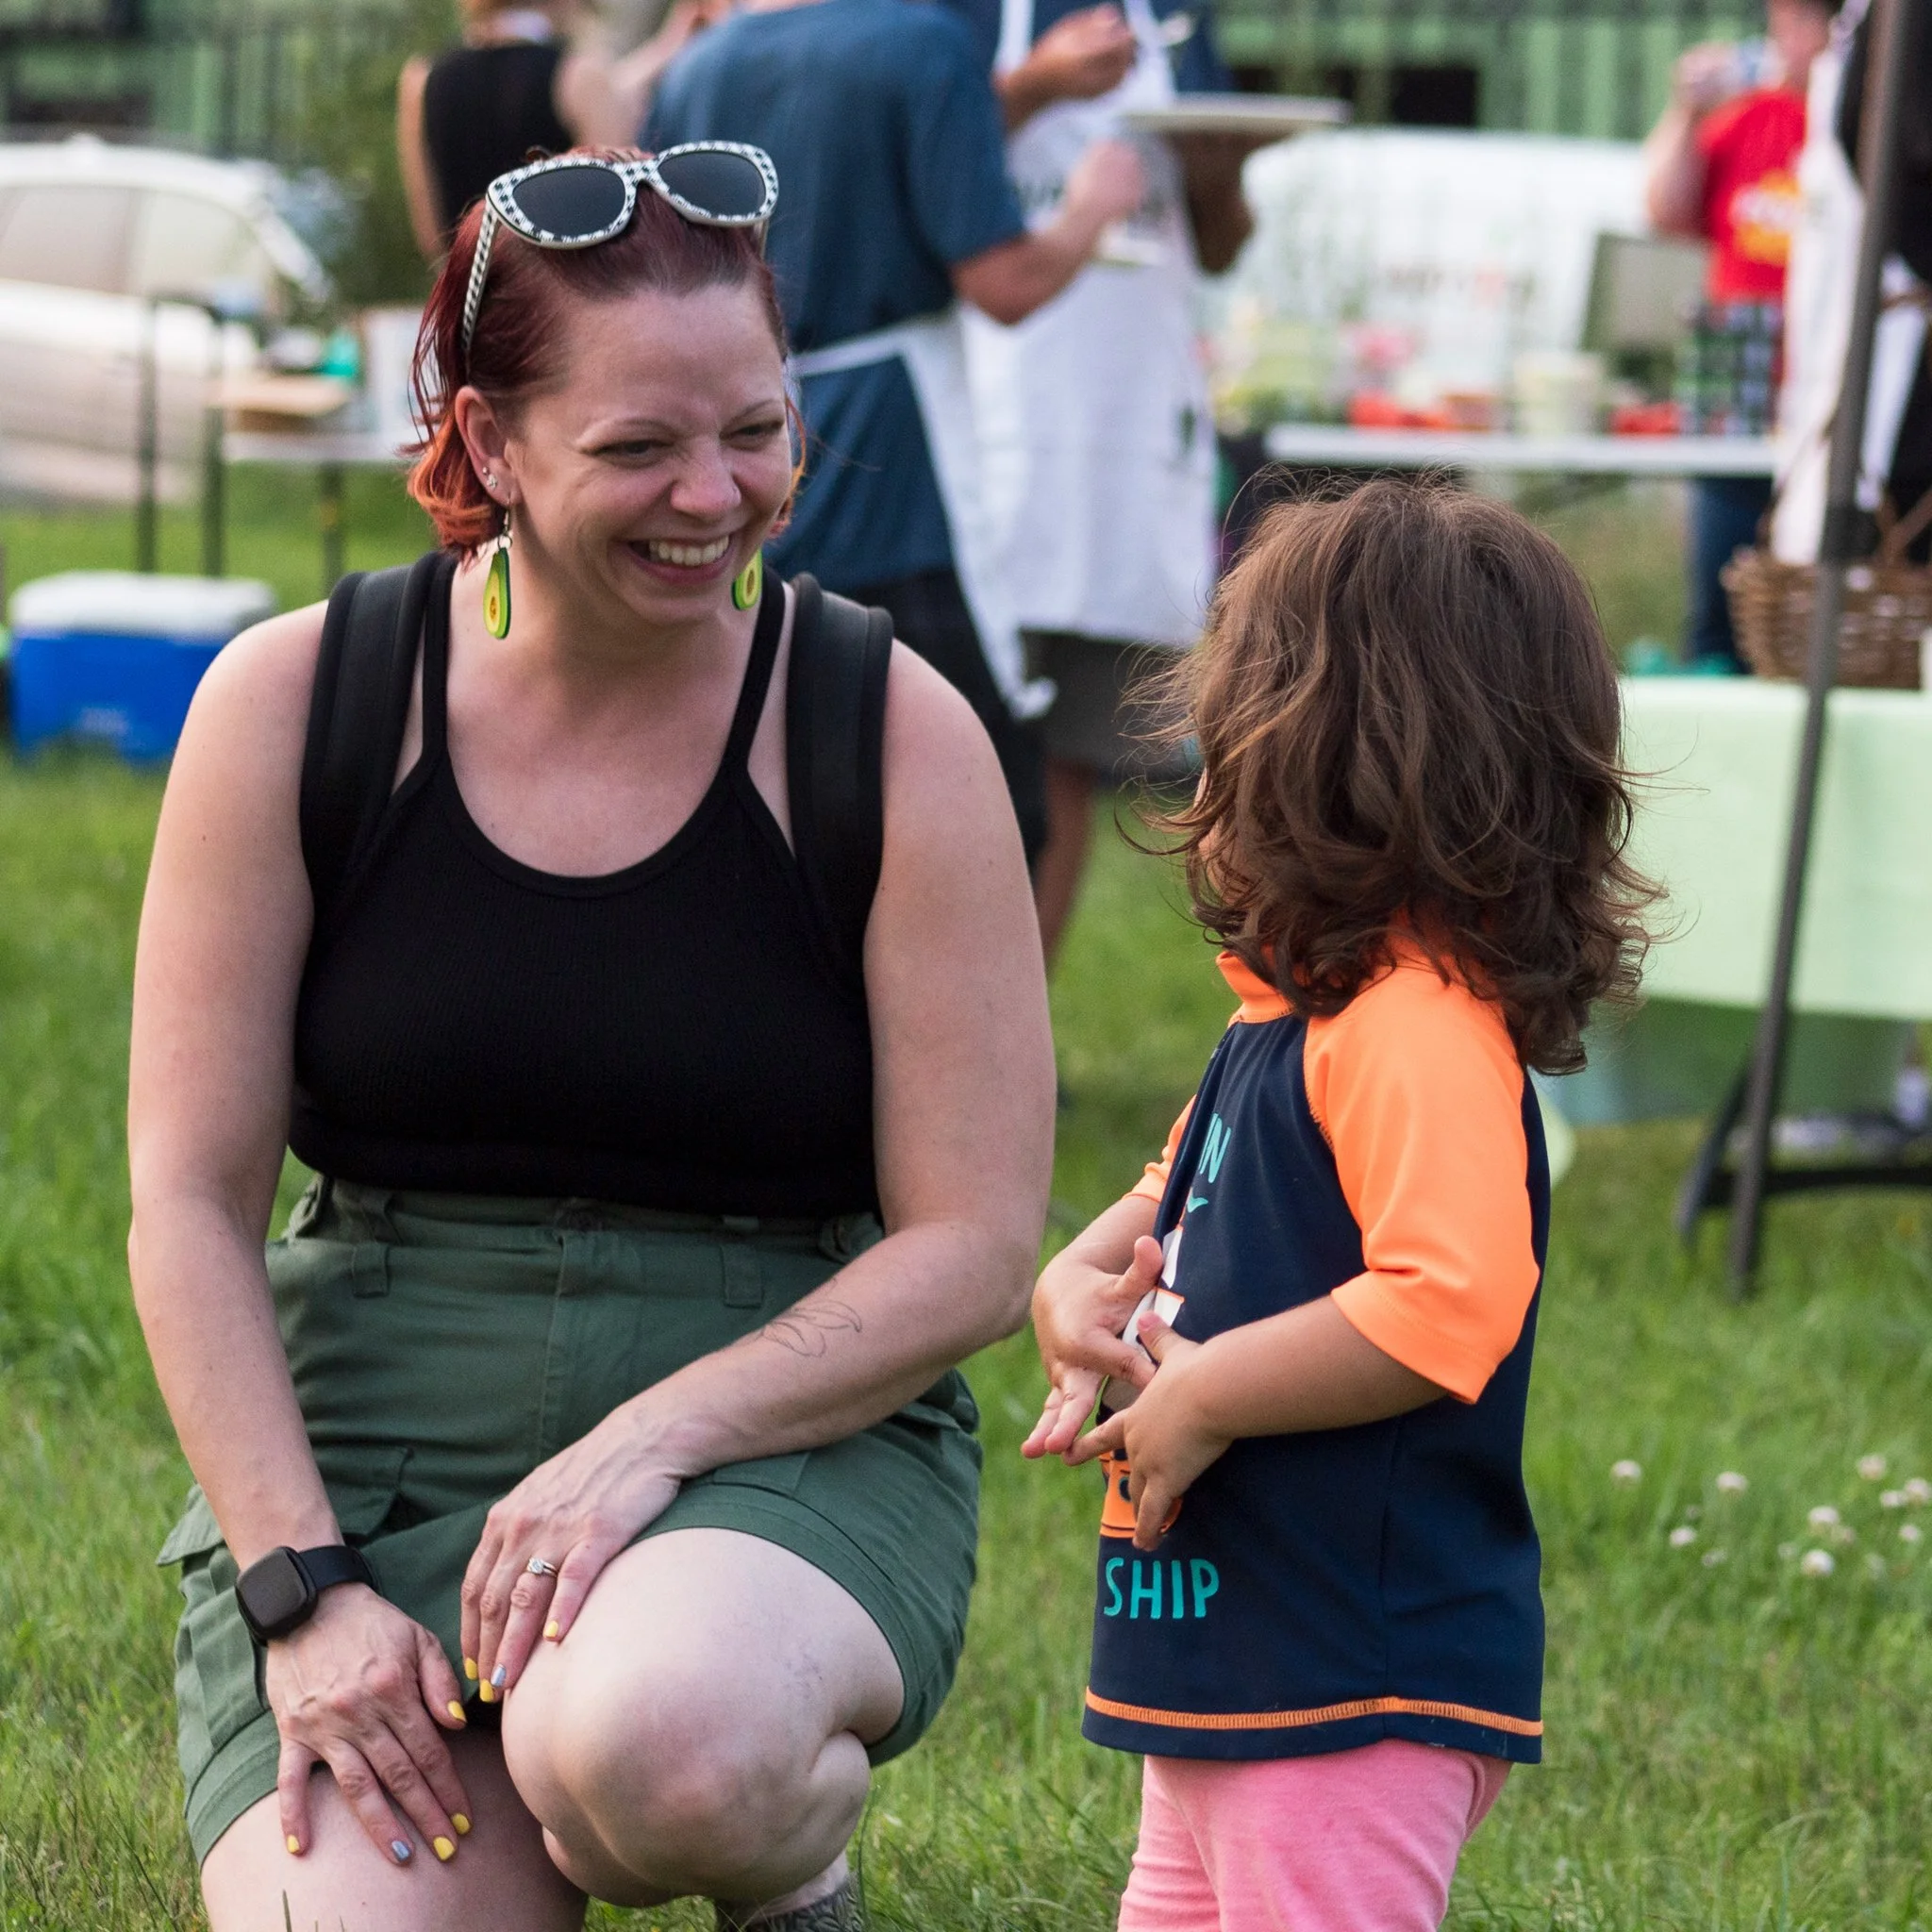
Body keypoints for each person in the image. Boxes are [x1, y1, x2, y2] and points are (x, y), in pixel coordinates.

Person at [128, 143, 1055, 1932]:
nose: (714, 495)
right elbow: (184, 1202)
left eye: (757, 431)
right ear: (485, 444)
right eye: (638, 448)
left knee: (665, 1747)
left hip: (771, 1430)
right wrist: (300, 1589)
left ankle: (776, 1863)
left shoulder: (887, 728)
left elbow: (972, 1247)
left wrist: (648, 1442)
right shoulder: (292, 704)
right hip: (380, 1451)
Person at [1024, 481, 1654, 1930]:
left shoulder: (1416, 1028)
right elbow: (1168, 1199)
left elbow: (1448, 1302)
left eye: (1231, 734)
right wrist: (1077, 1283)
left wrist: (1205, 1396)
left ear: (1324, 762)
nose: (1200, 777)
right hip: (1240, 1659)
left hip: (1350, 1677)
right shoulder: (1295, 1020)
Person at [645, 0, 1146, 862]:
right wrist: (1092, 208)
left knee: (759, 751)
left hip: (737, 449)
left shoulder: (696, 69)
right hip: (894, 459)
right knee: (962, 784)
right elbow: (1006, 282)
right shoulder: (922, 44)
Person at [951, 0, 1257, 959]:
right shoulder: (963, 17)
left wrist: (1219, 174)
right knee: (957, 746)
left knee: (1067, 763)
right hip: (993, 424)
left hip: (1124, 436)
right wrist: (1039, 85)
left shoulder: (1173, 22)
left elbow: (1217, 244)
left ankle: (1018, 1030)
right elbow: (922, 155)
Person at [1641, 0, 1841, 670]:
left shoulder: (1853, 123)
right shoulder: (1753, 115)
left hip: (1831, 389)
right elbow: (1664, 208)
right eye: (1781, 21)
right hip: (1739, 389)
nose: (1784, 37)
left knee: (1817, 597)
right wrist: (1686, 110)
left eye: (1799, 21)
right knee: (1720, 601)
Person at [397, 0, 716, 258]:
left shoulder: (421, 81)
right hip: (562, 312)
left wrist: (668, 45)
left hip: (473, 311)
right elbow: (617, 220)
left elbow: (431, 236)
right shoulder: (578, 76)